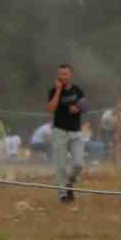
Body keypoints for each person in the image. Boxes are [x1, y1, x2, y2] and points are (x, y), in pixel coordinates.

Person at [46, 63, 87, 203]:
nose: (62, 76)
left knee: (79, 164)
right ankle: (63, 194)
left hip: (76, 132)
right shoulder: (53, 90)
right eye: (60, 74)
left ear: (70, 75)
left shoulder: (77, 90)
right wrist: (58, 91)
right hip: (60, 132)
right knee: (61, 166)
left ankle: (69, 183)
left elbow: (85, 105)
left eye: (65, 74)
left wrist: (78, 108)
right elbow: (51, 109)